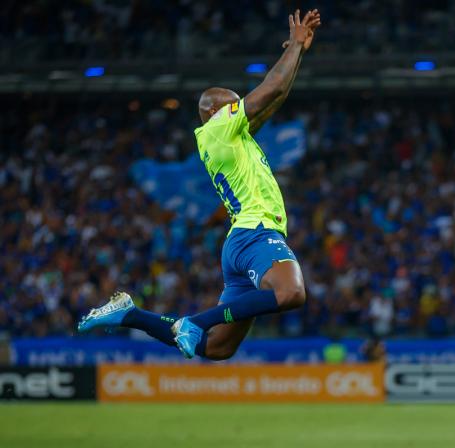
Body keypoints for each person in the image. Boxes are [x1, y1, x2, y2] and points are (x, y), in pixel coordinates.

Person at [77, 9, 322, 360]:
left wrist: (298, 53)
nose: (241, 108)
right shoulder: (218, 129)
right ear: (215, 112)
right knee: (292, 292)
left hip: (239, 242)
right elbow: (272, 88)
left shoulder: (230, 139)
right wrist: (295, 44)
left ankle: (130, 314)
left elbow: (275, 99)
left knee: (217, 347)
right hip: (256, 232)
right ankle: (194, 321)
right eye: (234, 105)